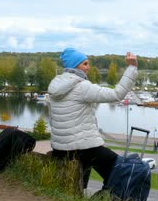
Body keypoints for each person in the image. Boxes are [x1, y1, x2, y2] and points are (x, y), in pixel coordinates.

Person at [47, 48, 138, 189]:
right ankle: (103, 200)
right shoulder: (82, 87)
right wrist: (132, 68)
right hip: (83, 147)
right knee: (120, 171)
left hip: (60, 148)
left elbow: (52, 119)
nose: (88, 67)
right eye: (85, 64)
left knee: (80, 178)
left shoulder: (54, 86)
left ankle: (79, 197)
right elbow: (117, 94)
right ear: (75, 66)